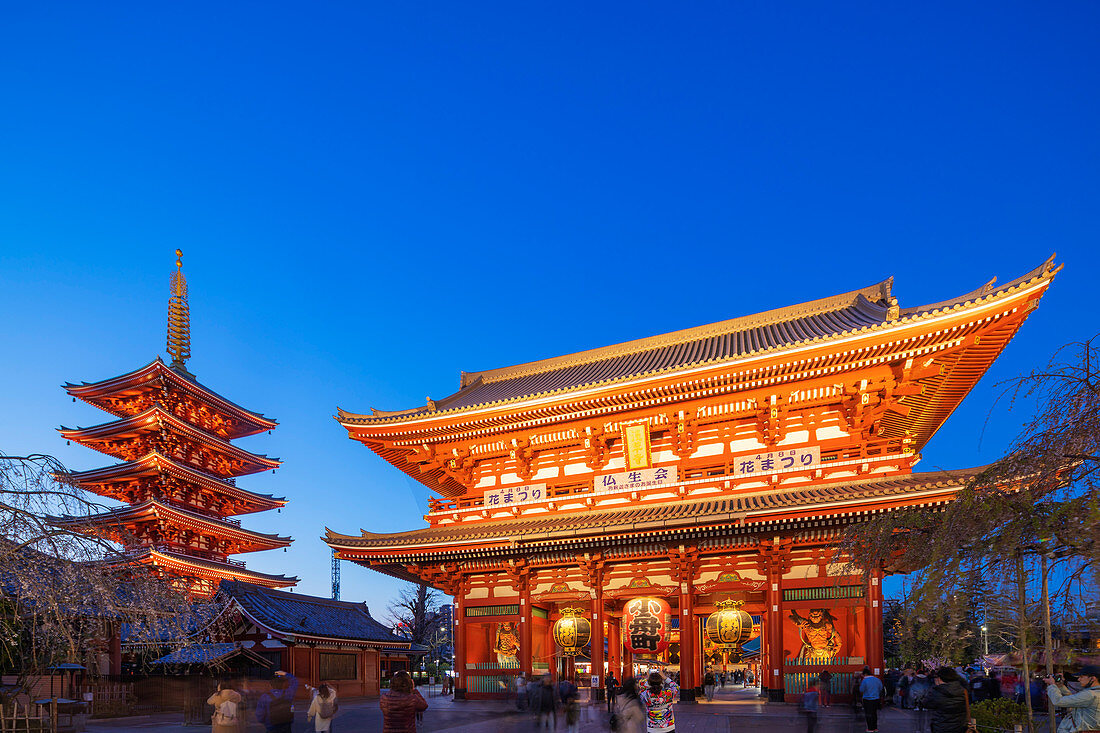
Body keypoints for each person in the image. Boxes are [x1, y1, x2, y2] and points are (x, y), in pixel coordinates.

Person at [1044, 664, 1100, 733]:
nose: (1079, 679)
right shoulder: (1094, 693)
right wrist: (1061, 686)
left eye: (1081, 677)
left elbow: (1058, 701)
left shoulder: (1090, 695)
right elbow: (1074, 699)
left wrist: (1052, 685)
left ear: (1092, 678)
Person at [924, 667, 970, 733]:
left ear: (940, 678)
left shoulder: (937, 691)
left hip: (941, 727)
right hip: (959, 727)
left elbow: (926, 704)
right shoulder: (963, 690)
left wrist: (935, 687)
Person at [858, 666, 884, 733]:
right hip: (876, 699)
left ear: (865, 674)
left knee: (868, 714)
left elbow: (861, 689)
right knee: (874, 713)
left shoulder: (865, 680)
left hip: (867, 699)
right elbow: (881, 688)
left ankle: (870, 728)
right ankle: (875, 728)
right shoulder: (877, 679)